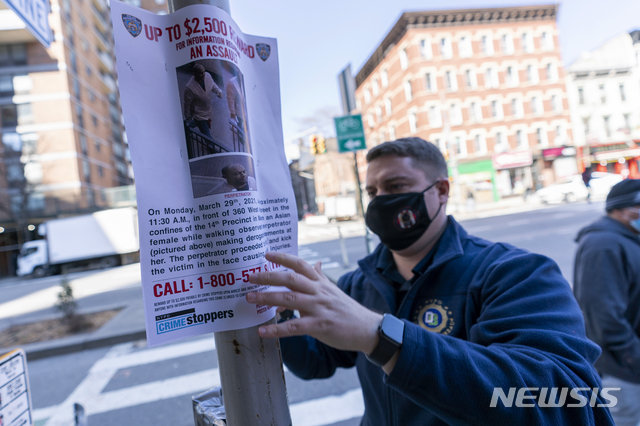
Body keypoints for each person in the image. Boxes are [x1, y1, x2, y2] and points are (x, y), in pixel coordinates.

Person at [245, 137, 614, 425]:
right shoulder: (359, 284)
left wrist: (382, 338)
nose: (380, 201)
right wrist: (282, 313)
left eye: (395, 186)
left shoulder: (515, 272)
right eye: (372, 192)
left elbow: (564, 401)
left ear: (441, 191)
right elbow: (317, 362)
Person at [574, 179, 640, 426]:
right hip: (622, 372)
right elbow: (604, 316)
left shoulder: (628, 238)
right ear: (621, 209)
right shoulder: (603, 245)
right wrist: (634, 358)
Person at [183, 63, 222, 138]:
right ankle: (211, 147)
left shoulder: (207, 75)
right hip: (199, 115)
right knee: (208, 137)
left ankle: (186, 126)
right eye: (200, 73)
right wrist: (187, 117)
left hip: (207, 111)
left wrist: (218, 91)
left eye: (203, 72)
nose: (203, 75)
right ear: (195, 74)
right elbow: (187, 104)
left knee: (194, 123)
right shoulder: (189, 88)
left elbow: (212, 84)